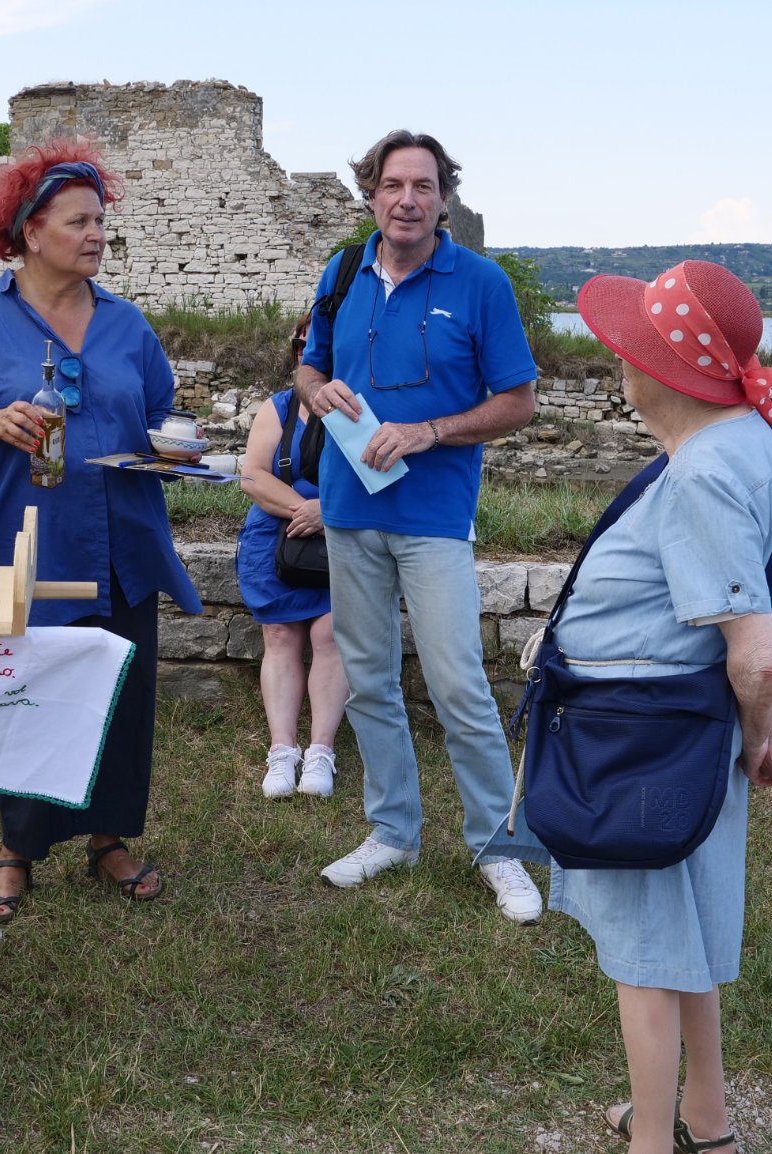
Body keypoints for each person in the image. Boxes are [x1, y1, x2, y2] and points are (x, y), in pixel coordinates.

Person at [0, 138, 202, 917]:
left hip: (125, 543)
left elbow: (160, 415)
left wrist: (173, 451)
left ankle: (109, 836)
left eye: (101, 221)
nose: (98, 235)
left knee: (120, 696)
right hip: (25, 542)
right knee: (28, 694)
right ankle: (18, 849)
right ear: (31, 231)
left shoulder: (127, 324)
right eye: (79, 221)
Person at [558, 260, 772, 1154]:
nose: (616, 366)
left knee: (647, 958)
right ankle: (704, 1118)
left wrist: (759, 723)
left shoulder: (702, 470)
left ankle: (652, 1143)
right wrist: (763, 720)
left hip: (644, 739)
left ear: (662, 373)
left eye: (628, 350)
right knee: (688, 936)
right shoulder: (753, 444)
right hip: (682, 726)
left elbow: (756, 644)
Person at [294, 130, 546, 923]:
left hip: (434, 517)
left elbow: (519, 401)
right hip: (346, 506)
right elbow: (306, 364)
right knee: (368, 680)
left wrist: (429, 431)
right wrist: (314, 389)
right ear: (371, 192)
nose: (408, 200)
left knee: (459, 686)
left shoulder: (481, 283)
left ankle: (498, 851)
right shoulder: (341, 272)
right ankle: (393, 832)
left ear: (445, 198)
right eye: (394, 184)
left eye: (425, 187)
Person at [237, 318, 348, 799]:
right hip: (276, 532)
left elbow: (382, 477)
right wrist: (302, 509)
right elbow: (253, 476)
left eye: (317, 345)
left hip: (341, 533)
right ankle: (283, 751)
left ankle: (321, 751)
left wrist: (331, 511)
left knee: (330, 635)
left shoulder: (359, 410)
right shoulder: (277, 408)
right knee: (280, 635)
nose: (308, 352)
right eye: (303, 344)